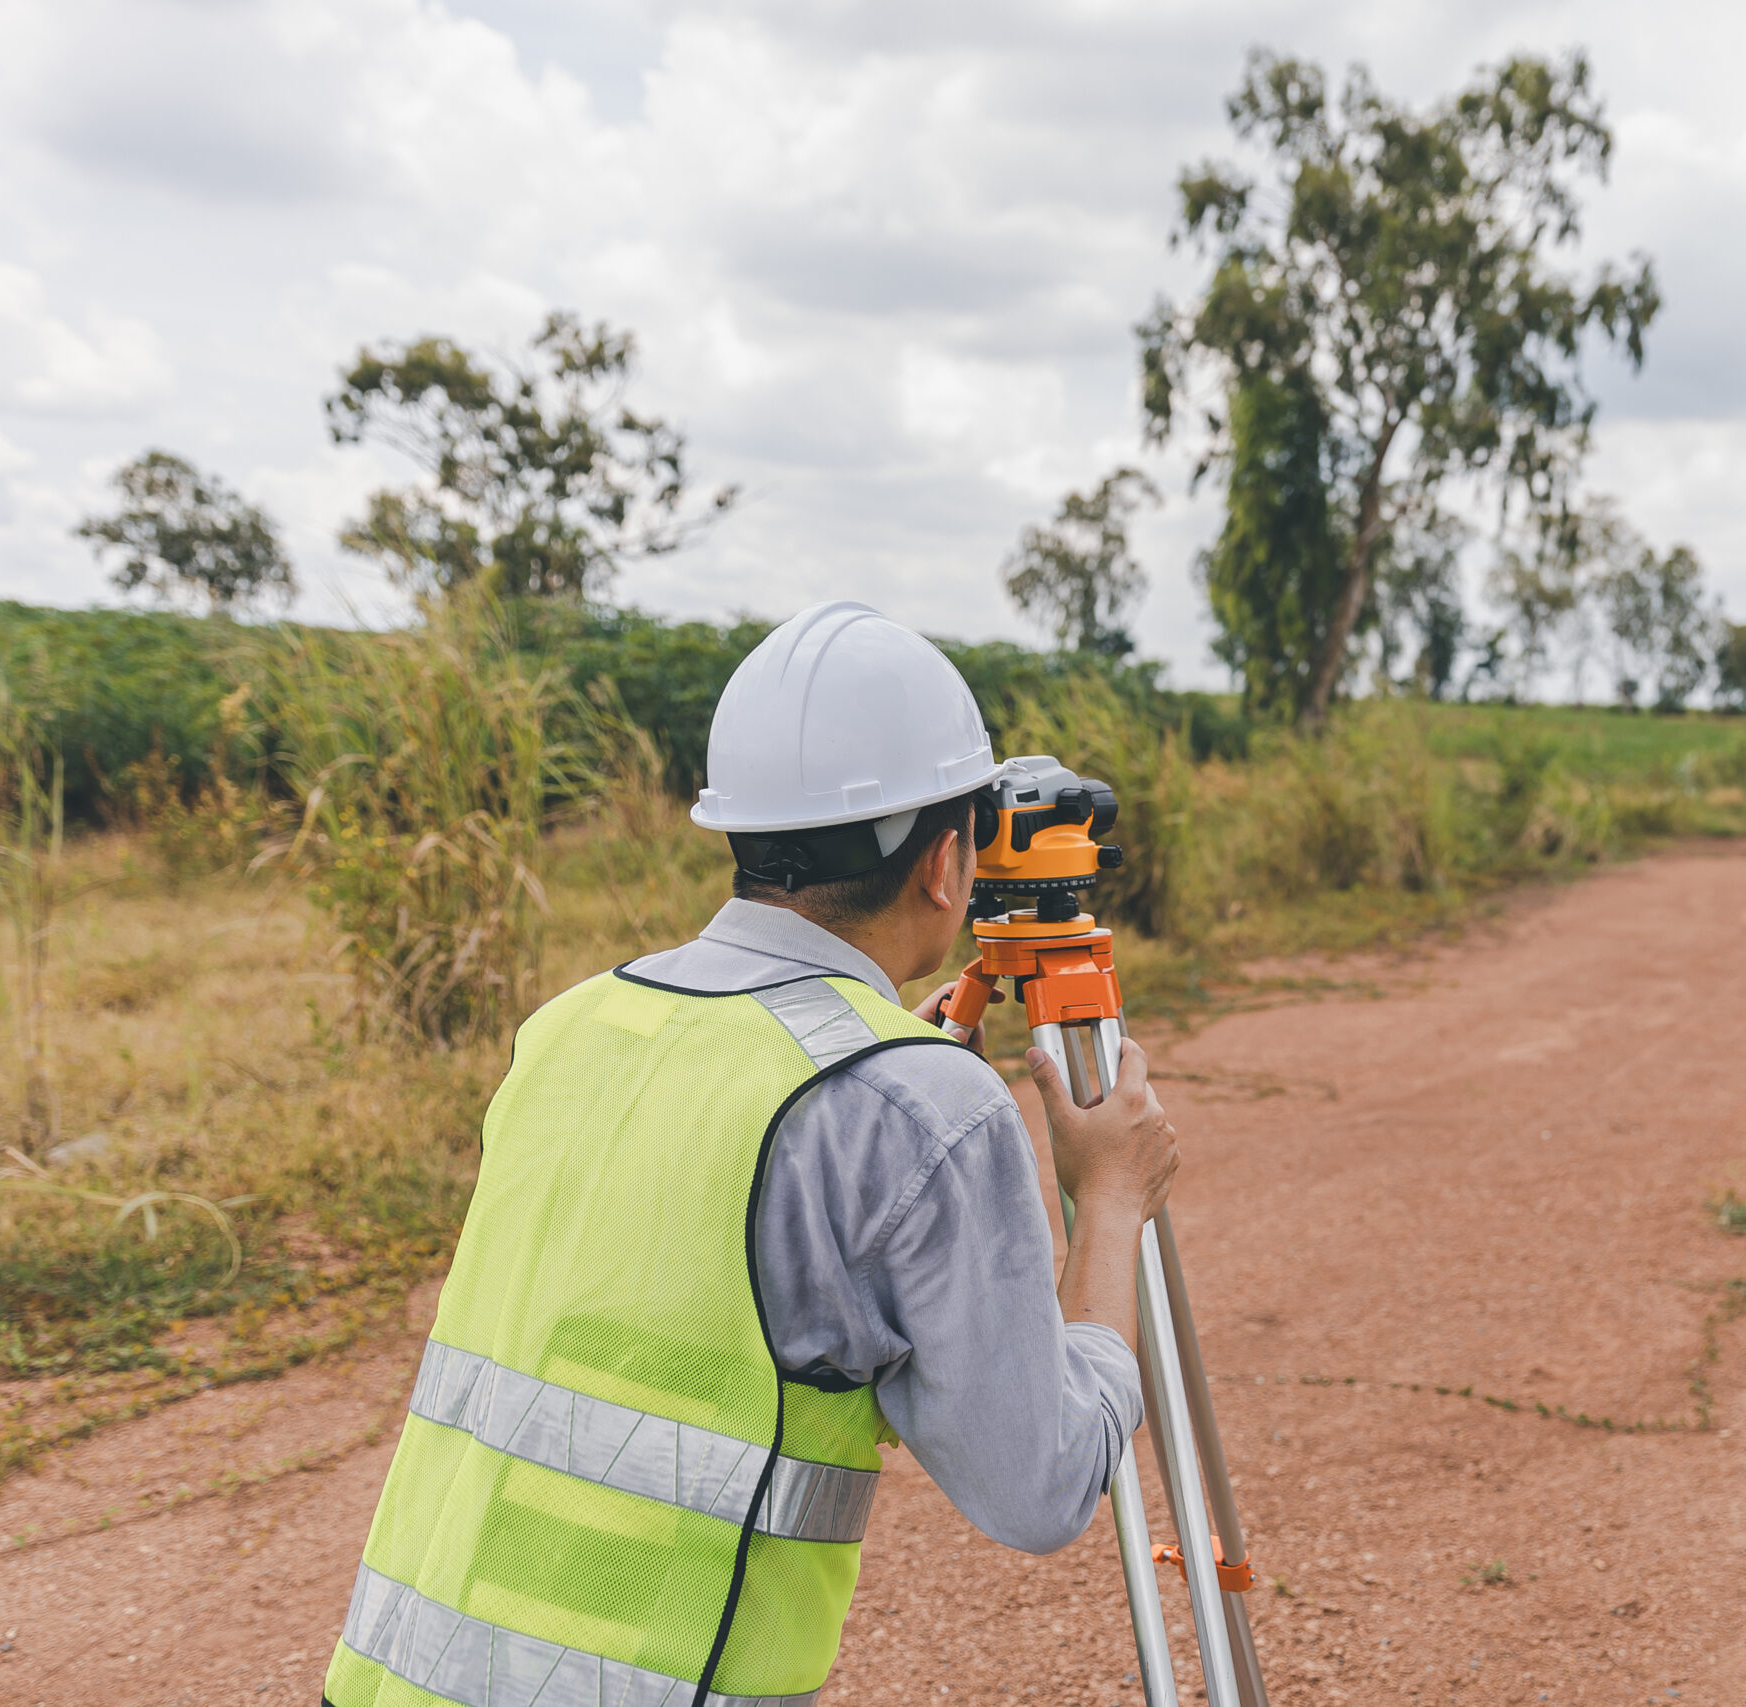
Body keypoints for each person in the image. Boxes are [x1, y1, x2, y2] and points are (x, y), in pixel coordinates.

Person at [324, 602, 1179, 1707]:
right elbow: (1042, 1486)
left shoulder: (571, 1025)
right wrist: (1107, 1202)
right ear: (947, 860)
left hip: (396, 1677)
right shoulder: (919, 1106)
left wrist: (887, 1087)